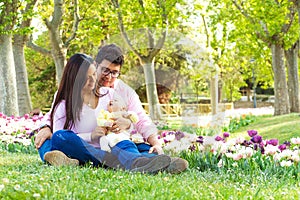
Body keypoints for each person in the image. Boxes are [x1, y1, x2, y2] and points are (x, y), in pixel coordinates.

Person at [35, 44, 188, 174]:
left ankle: (156, 162)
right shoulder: (66, 99)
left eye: (114, 72)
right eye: (105, 70)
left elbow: (139, 118)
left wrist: (130, 125)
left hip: (114, 143)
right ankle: (134, 162)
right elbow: (55, 116)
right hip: (89, 144)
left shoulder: (116, 93)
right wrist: (45, 127)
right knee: (57, 139)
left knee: (138, 147)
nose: (108, 76)